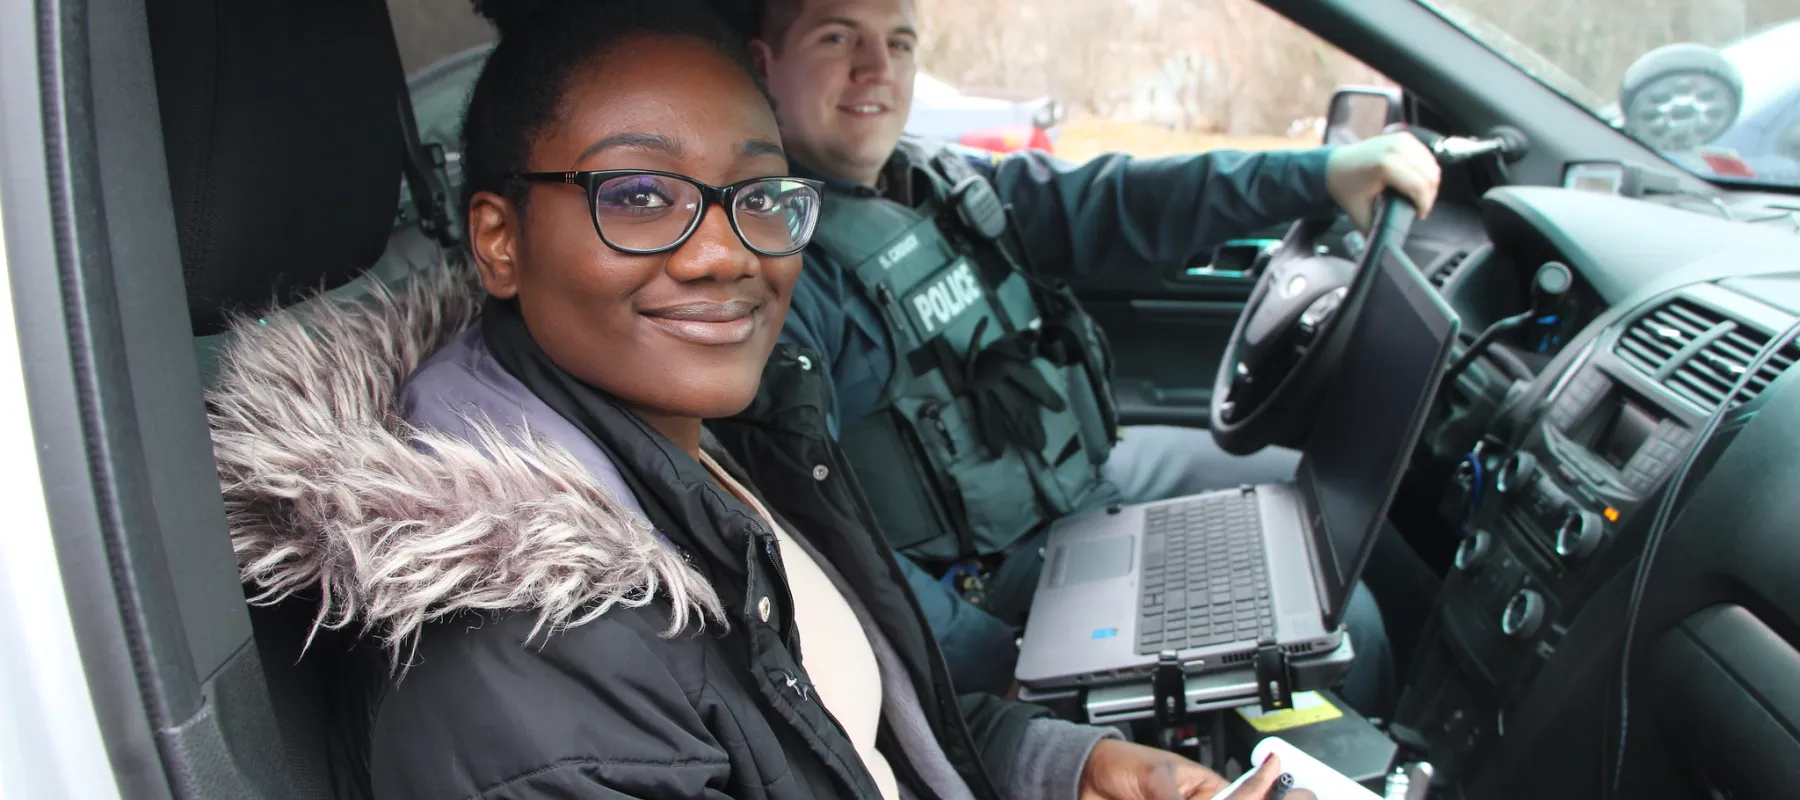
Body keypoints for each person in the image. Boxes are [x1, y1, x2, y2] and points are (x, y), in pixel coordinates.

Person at [206, 0, 1289, 797]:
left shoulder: (701, 433)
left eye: (759, 194)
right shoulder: (534, 665)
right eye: (639, 194)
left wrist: (1057, 767)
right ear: (498, 239)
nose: (727, 252)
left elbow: (833, 722)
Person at [738, 0, 1443, 708]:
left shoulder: (937, 178)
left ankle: (1440, 723)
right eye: (838, 38)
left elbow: (1129, 200)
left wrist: (1322, 175)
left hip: (1082, 483)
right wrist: (1003, 669)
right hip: (995, 581)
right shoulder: (781, 271)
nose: (877, 69)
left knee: (1327, 508)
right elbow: (818, 532)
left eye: (899, 43)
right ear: (766, 66)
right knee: (1344, 623)